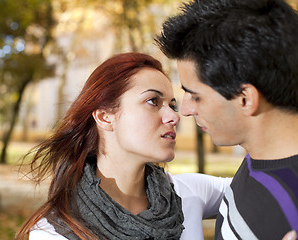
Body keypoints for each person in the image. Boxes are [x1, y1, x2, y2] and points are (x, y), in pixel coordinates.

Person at [15, 52, 231, 240]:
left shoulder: (189, 193)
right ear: (105, 117)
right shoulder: (55, 232)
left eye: (171, 105)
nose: (173, 116)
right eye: (153, 101)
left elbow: (262, 179)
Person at [156, 0, 298, 239]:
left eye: (195, 96)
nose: (186, 110)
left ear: (245, 99)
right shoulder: (260, 158)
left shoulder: (290, 208)